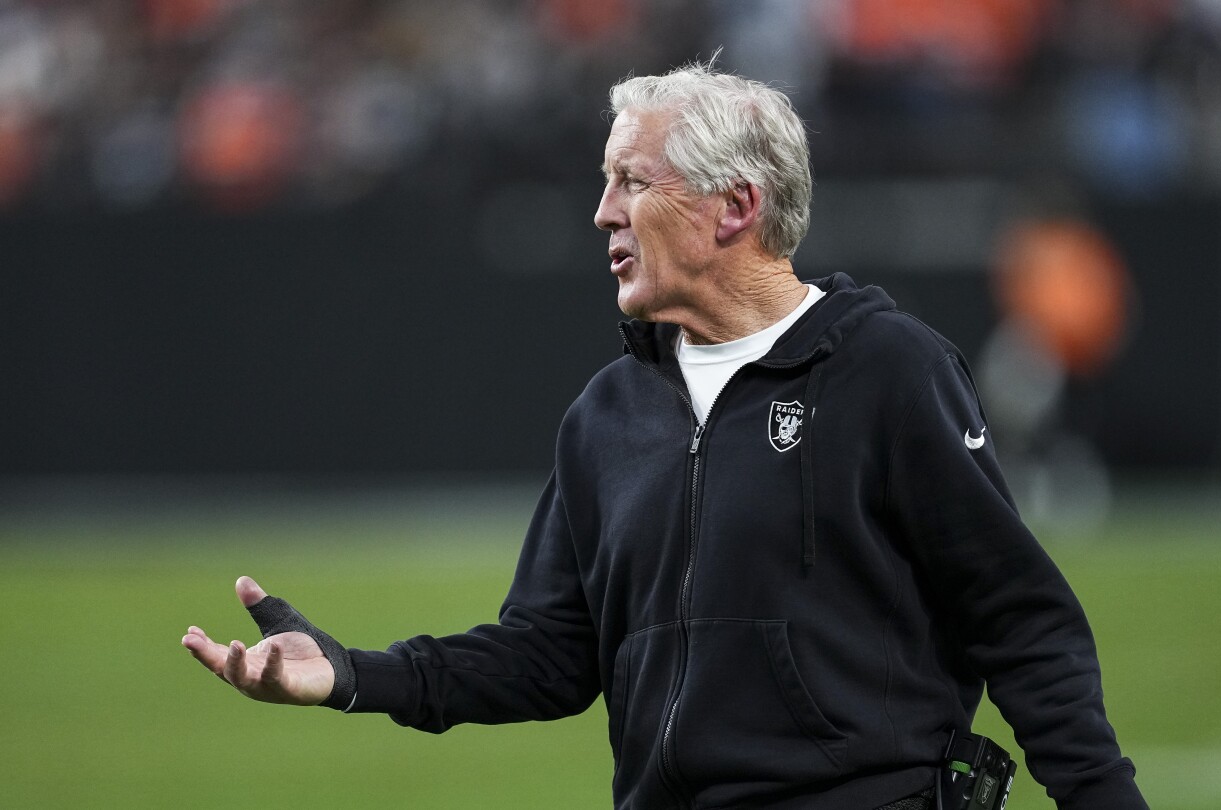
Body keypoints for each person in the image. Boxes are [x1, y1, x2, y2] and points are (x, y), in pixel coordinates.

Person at [182, 61, 1149, 810]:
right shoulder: (607, 414)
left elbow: (1019, 621)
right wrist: (354, 675)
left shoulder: (889, 370)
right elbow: (547, 653)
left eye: (631, 181)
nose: (602, 210)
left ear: (737, 206)